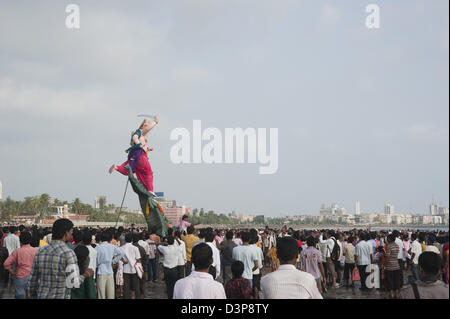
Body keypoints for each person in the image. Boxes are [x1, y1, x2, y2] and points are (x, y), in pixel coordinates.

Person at [27, 219, 95, 299]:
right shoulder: (68, 253)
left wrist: (33, 295)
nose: (71, 235)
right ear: (66, 233)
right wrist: (85, 275)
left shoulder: (41, 251)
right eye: (71, 232)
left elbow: (32, 282)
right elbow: (73, 283)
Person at [110, 116, 159, 195]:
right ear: (143, 126)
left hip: (134, 155)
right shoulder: (140, 132)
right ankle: (150, 189)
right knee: (148, 172)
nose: (147, 127)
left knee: (129, 170)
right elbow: (136, 137)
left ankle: (116, 167)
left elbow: (139, 143)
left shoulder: (141, 134)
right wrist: (155, 122)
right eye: (146, 125)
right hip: (139, 155)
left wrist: (148, 149)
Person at [3, 231, 38, 299]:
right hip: (32, 276)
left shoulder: (17, 251)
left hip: (20, 276)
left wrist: (12, 272)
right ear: (30, 240)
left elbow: (6, 264)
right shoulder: (35, 250)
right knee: (31, 294)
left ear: (20, 240)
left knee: (20, 295)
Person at [96, 230, 126, 299]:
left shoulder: (98, 248)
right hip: (110, 271)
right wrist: (114, 261)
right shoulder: (112, 246)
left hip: (101, 272)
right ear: (110, 238)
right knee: (110, 294)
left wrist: (98, 263)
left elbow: (96, 261)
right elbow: (121, 253)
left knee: (101, 295)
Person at [121, 232, 142, 299]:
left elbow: (117, 256)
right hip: (134, 269)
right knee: (136, 286)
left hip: (125, 269)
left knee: (126, 287)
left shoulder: (121, 248)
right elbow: (138, 260)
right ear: (132, 239)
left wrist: (123, 261)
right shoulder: (135, 248)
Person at [385, 234, 402, 299]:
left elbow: (387, 257)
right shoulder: (397, 246)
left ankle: (391, 295)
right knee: (396, 281)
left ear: (389, 239)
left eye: (387, 238)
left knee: (390, 282)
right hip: (396, 265)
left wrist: (385, 265)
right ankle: (397, 295)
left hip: (390, 266)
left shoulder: (389, 246)